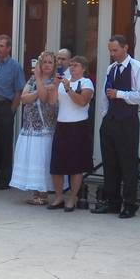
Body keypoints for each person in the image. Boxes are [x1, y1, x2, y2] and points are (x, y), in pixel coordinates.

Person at [93, 35, 140, 219]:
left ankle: (130, 204)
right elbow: (104, 96)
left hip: (127, 121)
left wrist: (119, 94)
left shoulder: (139, 68)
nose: (112, 54)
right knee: (110, 164)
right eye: (110, 50)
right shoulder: (111, 69)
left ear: (126, 48)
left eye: (115, 50)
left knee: (128, 164)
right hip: (110, 121)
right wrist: (105, 117)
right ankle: (112, 202)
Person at [10, 52, 59, 204]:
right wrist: (39, 88)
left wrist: (38, 85)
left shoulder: (55, 80)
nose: (46, 65)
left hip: (45, 128)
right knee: (33, 159)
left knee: (42, 159)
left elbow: (45, 99)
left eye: (50, 62)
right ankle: (36, 193)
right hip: (30, 126)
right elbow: (24, 98)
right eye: (43, 62)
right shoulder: (32, 79)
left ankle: (43, 194)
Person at [50, 56, 95, 212]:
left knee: (76, 166)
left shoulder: (86, 83)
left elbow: (82, 101)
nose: (72, 68)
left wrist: (69, 89)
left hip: (78, 126)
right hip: (62, 125)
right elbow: (51, 102)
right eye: (71, 65)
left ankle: (72, 197)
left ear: (83, 68)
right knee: (57, 164)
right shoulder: (63, 82)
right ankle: (59, 196)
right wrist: (55, 86)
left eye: (75, 65)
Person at [0, 34, 26, 189]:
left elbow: (18, 90)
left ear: (8, 48)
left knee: (5, 144)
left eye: (2, 46)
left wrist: (12, 110)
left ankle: (4, 179)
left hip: (4, 107)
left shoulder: (15, 66)